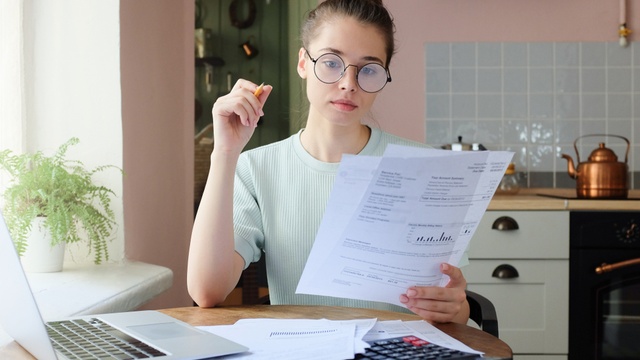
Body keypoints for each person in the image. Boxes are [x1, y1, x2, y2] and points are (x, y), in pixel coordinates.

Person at [188, 0, 470, 325]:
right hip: (301, 349)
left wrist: (454, 306)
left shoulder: (425, 169)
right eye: (332, 62)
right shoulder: (255, 169)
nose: (349, 83)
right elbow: (206, 292)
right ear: (303, 63)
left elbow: (458, 313)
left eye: (369, 69)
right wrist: (225, 153)